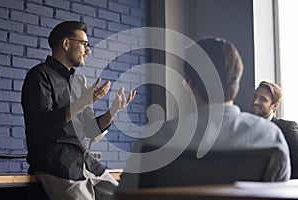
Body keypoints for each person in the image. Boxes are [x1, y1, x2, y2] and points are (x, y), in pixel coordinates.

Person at [118, 37, 291, 190]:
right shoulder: (271, 138)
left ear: (189, 82)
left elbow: (125, 196)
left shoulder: (155, 138)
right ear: (236, 83)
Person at [21, 21, 136, 200]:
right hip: (58, 166)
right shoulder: (39, 76)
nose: (88, 50)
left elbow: (90, 130)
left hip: (87, 164)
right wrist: (81, 103)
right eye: (84, 44)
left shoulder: (76, 83)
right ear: (66, 44)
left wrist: (112, 112)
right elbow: (42, 125)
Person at [250, 81, 298, 179]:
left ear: (275, 106)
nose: (255, 102)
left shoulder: (288, 129)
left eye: (263, 99)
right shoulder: (244, 127)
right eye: (255, 96)